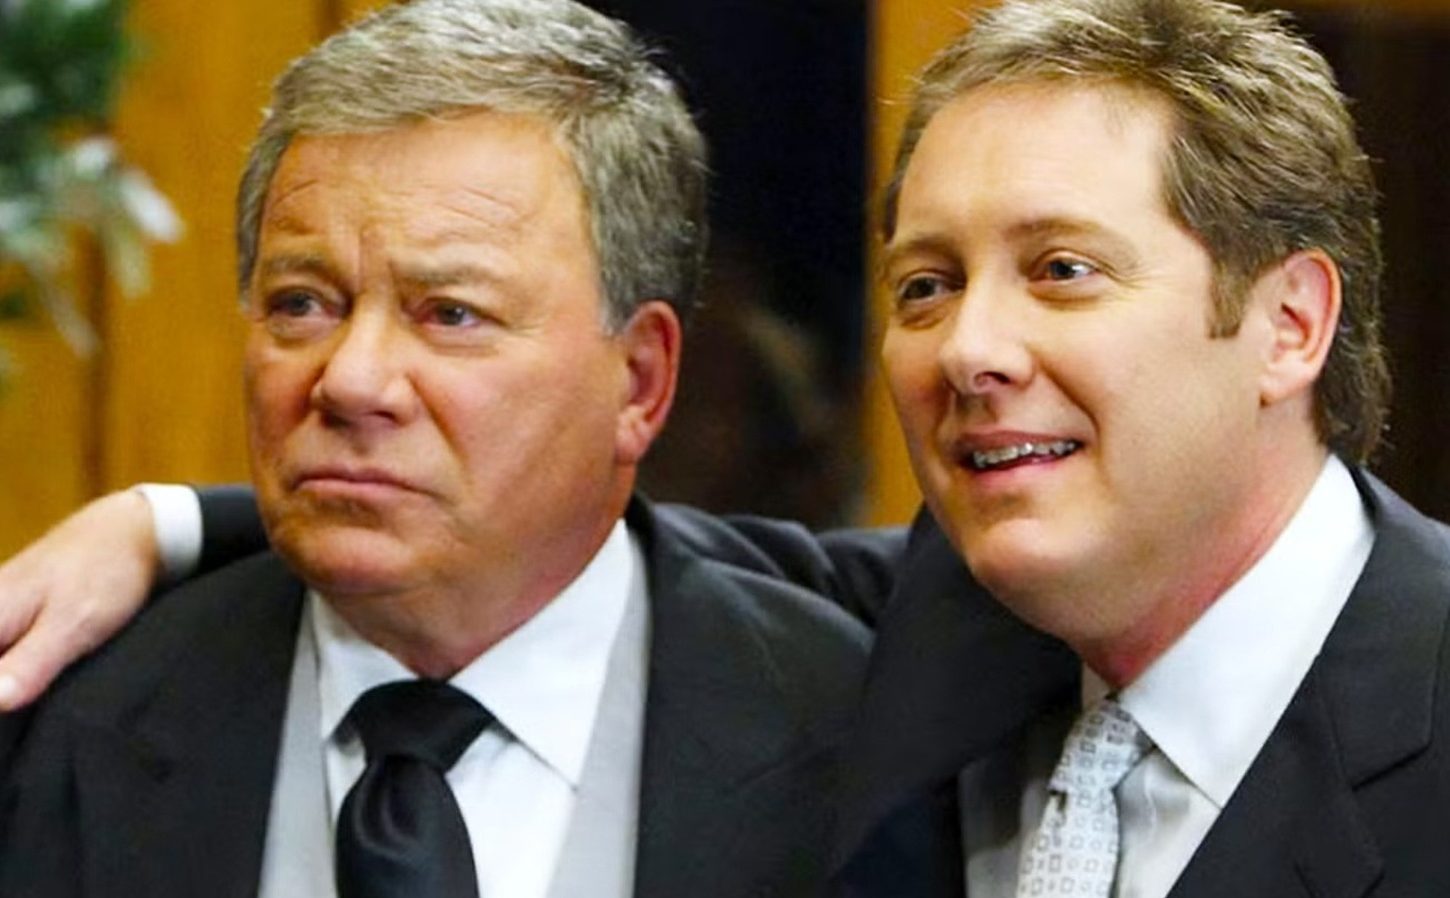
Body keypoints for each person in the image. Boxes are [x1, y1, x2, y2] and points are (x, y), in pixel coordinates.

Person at [7, 0, 1450, 895]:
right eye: (924, 285)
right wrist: (172, 520)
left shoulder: (883, 682)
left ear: (1287, 322)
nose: (970, 348)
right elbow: (536, 533)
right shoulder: (946, 634)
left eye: (1062, 270)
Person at [0, 1, 892, 897]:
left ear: (639, 381)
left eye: (451, 314)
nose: (351, 380)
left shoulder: (862, 745)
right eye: (302, 304)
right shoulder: (59, 727)